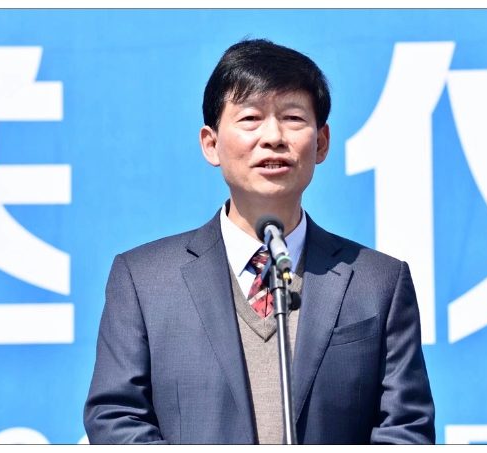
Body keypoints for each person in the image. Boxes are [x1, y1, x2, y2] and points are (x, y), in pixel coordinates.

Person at [83, 38, 435, 444]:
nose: (273, 137)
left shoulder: (378, 282)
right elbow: (116, 417)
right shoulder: (145, 280)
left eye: (292, 118)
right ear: (211, 144)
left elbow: (406, 429)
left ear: (321, 143)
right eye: (250, 118)